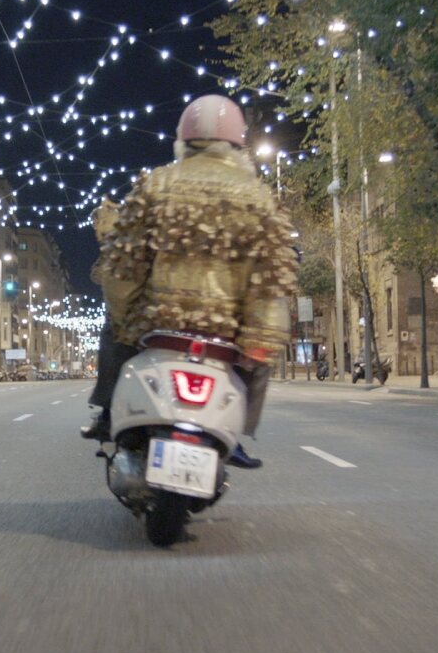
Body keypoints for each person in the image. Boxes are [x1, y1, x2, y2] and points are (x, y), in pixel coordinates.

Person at [82, 94, 297, 469]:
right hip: (226, 336)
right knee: (261, 355)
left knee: (111, 328)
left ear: (183, 139)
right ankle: (237, 435)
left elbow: (123, 271)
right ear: (237, 143)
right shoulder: (260, 198)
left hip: (159, 325)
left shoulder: (157, 185)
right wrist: (259, 341)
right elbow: (269, 285)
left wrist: (125, 318)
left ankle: (106, 411)